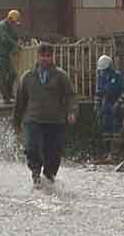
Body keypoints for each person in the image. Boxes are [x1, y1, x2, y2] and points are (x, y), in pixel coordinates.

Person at [12, 42, 76, 190]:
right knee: (32, 147)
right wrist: (16, 122)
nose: (46, 59)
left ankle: (49, 176)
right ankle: (35, 174)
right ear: (38, 56)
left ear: (53, 57)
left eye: (49, 56)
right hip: (33, 119)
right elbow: (20, 101)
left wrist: (72, 112)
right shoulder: (28, 77)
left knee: (53, 151)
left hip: (55, 121)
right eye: (43, 56)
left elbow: (71, 96)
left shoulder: (61, 76)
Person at [95, 53, 124, 155]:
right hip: (105, 104)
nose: (104, 72)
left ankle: (116, 152)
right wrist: (97, 105)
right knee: (105, 128)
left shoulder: (118, 76)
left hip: (117, 104)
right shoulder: (101, 77)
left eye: (105, 70)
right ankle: (107, 152)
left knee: (116, 128)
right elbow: (99, 91)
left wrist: (118, 103)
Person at [0, 8, 21, 103]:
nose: (14, 24)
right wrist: (15, 44)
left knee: (12, 74)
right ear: (10, 19)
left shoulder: (10, 27)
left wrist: (18, 41)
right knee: (2, 77)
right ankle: (6, 97)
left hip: (6, 55)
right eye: (14, 22)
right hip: (0, 55)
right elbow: (5, 38)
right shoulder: (2, 25)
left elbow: (14, 36)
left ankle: (9, 94)